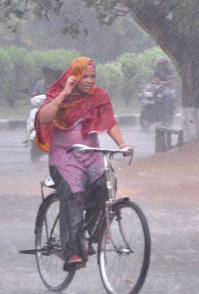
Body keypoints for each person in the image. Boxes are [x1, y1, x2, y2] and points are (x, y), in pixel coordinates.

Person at [35, 57, 133, 271]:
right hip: (64, 156)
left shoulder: (99, 96)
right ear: (74, 77)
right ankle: (72, 252)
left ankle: (89, 234)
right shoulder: (60, 93)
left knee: (105, 185)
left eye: (92, 76)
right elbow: (43, 118)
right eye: (84, 76)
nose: (89, 80)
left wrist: (123, 145)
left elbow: (110, 122)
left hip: (91, 154)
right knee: (74, 194)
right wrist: (64, 94)